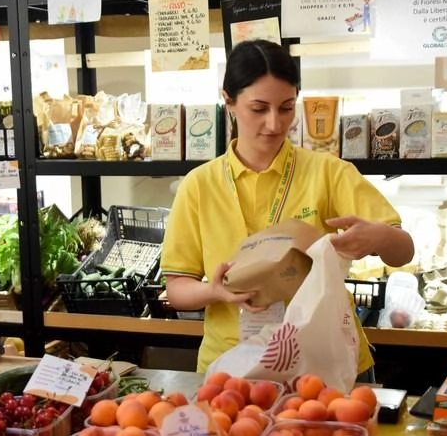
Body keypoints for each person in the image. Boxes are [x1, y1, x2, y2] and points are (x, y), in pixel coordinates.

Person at [160, 39, 415, 377]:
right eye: (258, 108)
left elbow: (403, 251)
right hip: (232, 367)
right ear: (229, 102)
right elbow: (177, 287)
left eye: (286, 108)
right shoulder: (199, 185)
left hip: (322, 362)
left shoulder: (327, 172)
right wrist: (213, 291)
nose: (274, 124)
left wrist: (379, 237)